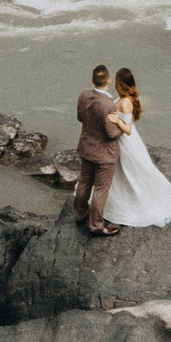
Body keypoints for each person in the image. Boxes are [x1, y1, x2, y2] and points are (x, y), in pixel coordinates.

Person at [96, 67, 171, 232]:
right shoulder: (124, 98)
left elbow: (128, 129)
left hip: (126, 141)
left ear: (120, 83)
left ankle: (135, 202)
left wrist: (116, 120)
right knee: (123, 172)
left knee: (133, 171)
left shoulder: (126, 102)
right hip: (120, 141)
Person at [71, 63, 121, 235]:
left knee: (84, 182)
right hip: (104, 155)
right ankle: (96, 226)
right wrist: (122, 127)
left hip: (86, 148)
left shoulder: (84, 95)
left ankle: (80, 213)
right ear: (109, 80)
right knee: (100, 190)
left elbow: (80, 117)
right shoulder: (108, 105)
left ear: (92, 80)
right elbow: (111, 133)